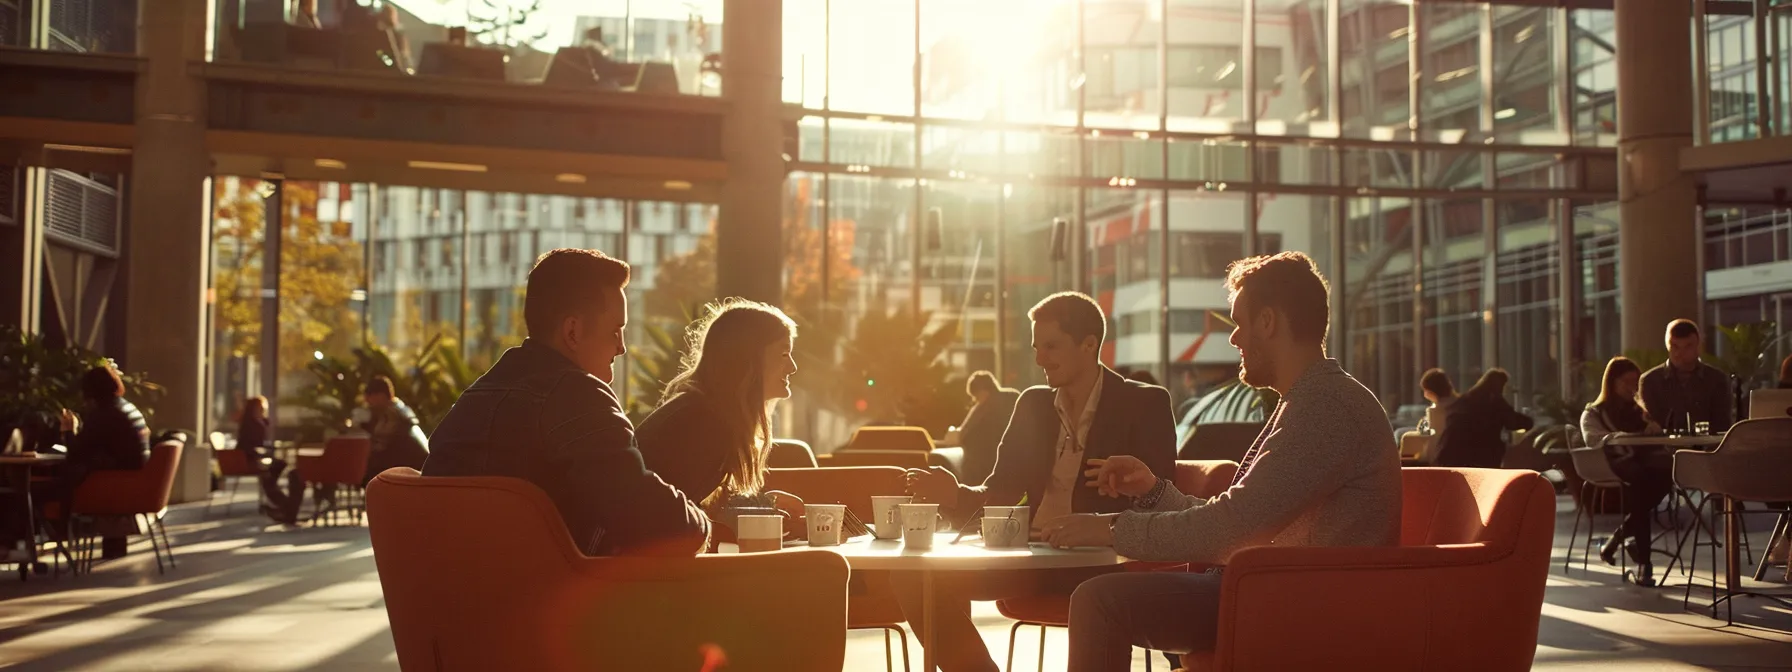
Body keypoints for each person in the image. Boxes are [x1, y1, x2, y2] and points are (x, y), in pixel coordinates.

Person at [1050, 252, 1401, 670]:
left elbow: (1235, 527)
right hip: (1275, 590)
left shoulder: (1326, 407)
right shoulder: (1312, 400)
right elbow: (1241, 522)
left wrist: (1110, 528)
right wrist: (1153, 492)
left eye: (1238, 323)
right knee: (1130, 597)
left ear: (1268, 322)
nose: (1234, 340)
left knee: (1099, 599)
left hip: (1301, 603)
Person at [899, 291, 1176, 671]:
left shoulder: (1144, 404)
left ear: (1089, 344)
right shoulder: (1032, 404)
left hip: (1101, 563)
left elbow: (1162, 502)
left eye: (1051, 346)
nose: (1039, 358)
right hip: (1030, 559)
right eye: (1036, 347)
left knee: (1100, 598)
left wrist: (1114, 510)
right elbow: (1000, 492)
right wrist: (953, 493)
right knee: (916, 581)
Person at [423, 249, 708, 556]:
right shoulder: (578, 395)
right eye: (615, 330)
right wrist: (705, 523)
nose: (622, 347)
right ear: (572, 332)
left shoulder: (477, 396)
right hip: (543, 598)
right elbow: (651, 518)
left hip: (448, 596)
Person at [636, 299, 805, 532]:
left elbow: (693, 507)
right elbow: (672, 519)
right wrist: (762, 511)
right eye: (784, 354)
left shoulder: (702, 411)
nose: (793, 367)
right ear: (748, 359)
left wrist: (764, 504)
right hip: (641, 563)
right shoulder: (703, 423)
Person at [1579, 357, 1671, 585]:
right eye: (1627, 382)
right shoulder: (1594, 412)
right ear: (1612, 382)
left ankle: (1618, 539)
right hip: (1613, 463)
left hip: (1642, 463)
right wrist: (1618, 437)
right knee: (1641, 484)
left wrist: (1654, 428)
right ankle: (1644, 565)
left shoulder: (1640, 411)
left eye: (1635, 382)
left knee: (1666, 476)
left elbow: (1657, 437)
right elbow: (1591, 438)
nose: (1632, 387)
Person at [1639, 319, 1734, 434]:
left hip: (1706, 449)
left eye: (1687, 346)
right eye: (1674, 346)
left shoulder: (1717, 380)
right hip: (1664, 450)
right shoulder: (1651, 381)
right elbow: (1651, 425)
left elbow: (1722, 426)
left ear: (1698, 346)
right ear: (1667, 345)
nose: (1680, 353)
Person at [1431, 369, 1534, 469]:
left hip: (1450, 456)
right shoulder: (1493, 401)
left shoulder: (1465, 400)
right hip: (1479, 458)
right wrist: (1531, 422)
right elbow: (1515, 421)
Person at [235, 396, 304, 525]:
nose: (262, 411)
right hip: (250, 458)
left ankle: (284, 506)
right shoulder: (250, 424)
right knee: (271, 474)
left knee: (277, 469)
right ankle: (284, 505)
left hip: (259, 455)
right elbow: (251, 445)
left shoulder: (260, 422)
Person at [946, 371, 1020, 484]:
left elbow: (963, 434)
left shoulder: (983, 408)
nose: (976, 400)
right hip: (1013, 463)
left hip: (983, 468)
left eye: (976, 396)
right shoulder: (1014, 396)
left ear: (983, 392)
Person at [360, 376, 429, 483]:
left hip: (406, 466)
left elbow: (381, 443)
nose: (368, 402)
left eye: (370, 397)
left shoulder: (391, 414)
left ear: (380, 396)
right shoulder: (402, 409)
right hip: (416, 465)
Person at [1417, 367, 1458, 433]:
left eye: (1425, 390)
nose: (1425, 394)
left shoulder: (1436, 410)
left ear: (1431, 392)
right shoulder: (1459, 402)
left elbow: (1423, 429)